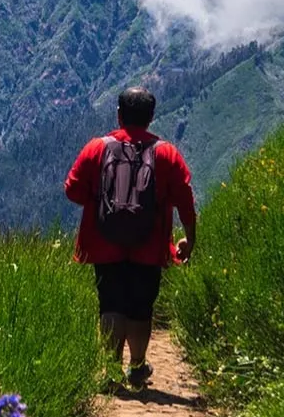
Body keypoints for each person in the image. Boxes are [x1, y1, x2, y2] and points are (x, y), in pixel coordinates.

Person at [63, 86, 197, 390]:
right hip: (149, 245)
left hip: (103, 242)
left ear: (119, 114)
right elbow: (185, 199)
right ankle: (137, 366)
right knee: (140, 305)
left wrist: (98, 200)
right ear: (151, 117)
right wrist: (189, 237)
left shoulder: (98, 148)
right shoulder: (166, 153)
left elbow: (72, 189)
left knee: (110, 303)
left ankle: (111, 371)